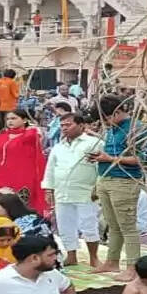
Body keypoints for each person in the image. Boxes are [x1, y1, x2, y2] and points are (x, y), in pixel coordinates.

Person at [92, 95, 147, 279]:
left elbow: (144, 161)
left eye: (107, 118)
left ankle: (133, 267)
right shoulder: (112, 128)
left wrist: (110, 159)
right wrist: (100, 157)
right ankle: (112, 261)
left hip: (124, 181)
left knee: (128, 226)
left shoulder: (137, 129)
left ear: (117, 112)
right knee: (113, 224)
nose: (105, 123)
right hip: (105, 178)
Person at [42, 113, 102, 267]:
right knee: (65, 225)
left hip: (86, 191)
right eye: (62, 125)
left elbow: (101, 168)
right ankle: (71, 255)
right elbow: (50, 169)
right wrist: (49, 189)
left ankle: (94, 257)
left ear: (81, 125)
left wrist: (98, 187)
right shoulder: (58, 147)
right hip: (62, 192)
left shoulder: (93, 143)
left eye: (68, 125)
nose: (64, 128)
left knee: (89, 224)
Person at [0, 109, 48, 216]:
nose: (10, 121)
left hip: (24, 177)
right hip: (4, 176)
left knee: (23, 206)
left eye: (14, 118)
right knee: (0, 205)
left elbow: (39, 135)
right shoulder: (2, 137)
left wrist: (32, 126)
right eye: (7, 119)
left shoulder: (31, 134)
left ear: (24, 120)